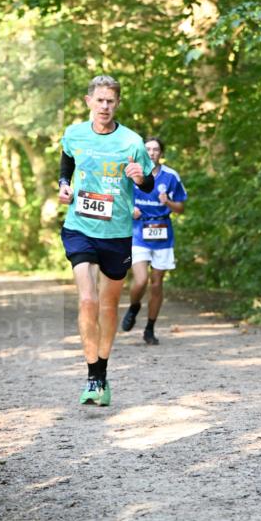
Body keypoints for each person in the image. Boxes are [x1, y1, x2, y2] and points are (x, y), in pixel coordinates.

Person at [58, 75, 155, 406]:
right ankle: (92, 377)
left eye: (110, 101)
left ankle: (103, 371)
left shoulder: (132, 142)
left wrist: (140, 178)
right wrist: (63, 185)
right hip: (79, 227)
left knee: (108, 304)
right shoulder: (74, 134)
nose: (104, 106)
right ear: (88, 101)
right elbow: (67, 161)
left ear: (117, 104)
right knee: (88, 300)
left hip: (117, 233)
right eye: (99, 100)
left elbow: (147, 184)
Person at [121, 137, 187, 344]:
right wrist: (131, 210)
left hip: (162, 232)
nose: (151, 153)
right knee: (140, 280)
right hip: (138, 232)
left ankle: (149, 328)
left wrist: (167, 202)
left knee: (157, 284)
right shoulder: (131, 173)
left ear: (161, 153)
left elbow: (181, 207)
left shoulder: (170, 176)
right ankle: (134, 306)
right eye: (148, 149)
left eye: (156, 149)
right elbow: (119, 198)